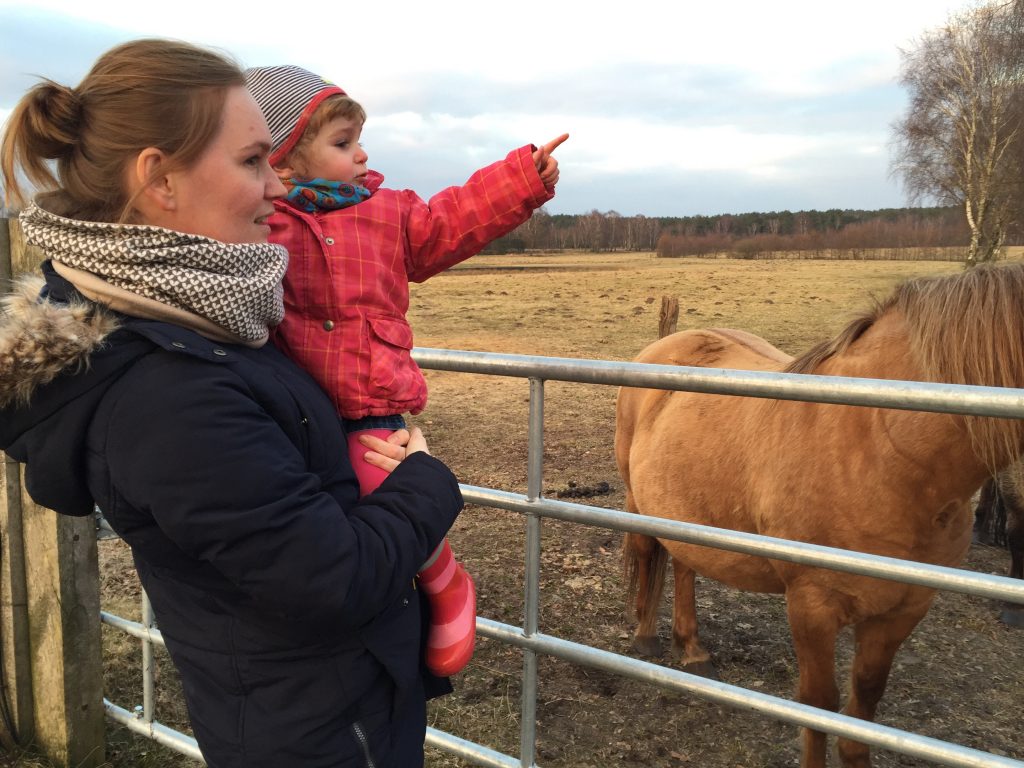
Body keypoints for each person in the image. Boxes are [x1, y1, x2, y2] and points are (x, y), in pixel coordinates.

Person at [0, 39, 463, 768]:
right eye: (253, 161)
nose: (278, 188)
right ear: (160, 180)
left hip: (322, 706)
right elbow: (332, 577)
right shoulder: (167, 394)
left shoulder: (203, 319)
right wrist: (428, 481)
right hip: (318, 738)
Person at [245, 63, 567, 676]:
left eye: (360, 139)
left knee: (383, 492)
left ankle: (446, 581)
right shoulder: (264, 224)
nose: (363, 155)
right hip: (296, 409)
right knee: (318, 527)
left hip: (372, 406)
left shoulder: (387, 213)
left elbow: (452, 218)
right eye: (342, 144)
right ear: (283, 162)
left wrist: (521, 176)